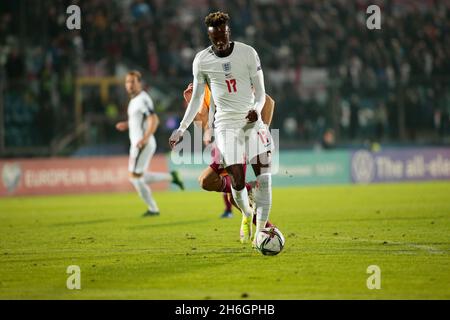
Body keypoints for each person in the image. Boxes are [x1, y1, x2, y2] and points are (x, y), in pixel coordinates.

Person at [170, 12, 274, 245]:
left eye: (223, 35)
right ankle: (247, 213)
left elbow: (262, 93)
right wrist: (181, 128)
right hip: (226, 126)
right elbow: (196, 98)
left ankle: (261, 234)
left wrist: (257, 110)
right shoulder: (201, 60)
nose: (220, 41)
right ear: (209, 36)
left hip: (252, 122)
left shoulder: (248, 53)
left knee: (265, 180)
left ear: (229, 32)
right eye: (215, 37)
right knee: (237, 181)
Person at [183, 83, 276, 229]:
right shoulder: (204, 87)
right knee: (230, 195)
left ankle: (266, 229)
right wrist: (192, 103)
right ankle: (266, 230)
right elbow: (204, 122)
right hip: (223, 143)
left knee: (212, 183)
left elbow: (268, 101)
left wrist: (263, 129)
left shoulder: (232, 77)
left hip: (242, 138)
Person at [116, 70, 184, 217]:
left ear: (139, 83)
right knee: (139, 176)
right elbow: (139, 120)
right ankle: (172, 177)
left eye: (133, 82)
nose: (130, 85)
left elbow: (154, 119)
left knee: (135, 177)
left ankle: (153, 209)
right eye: (128, 82)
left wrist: (145, 138)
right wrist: (127, 124)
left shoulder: (142, 99)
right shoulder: (134, 100)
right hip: (138, 143)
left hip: (142, 143)